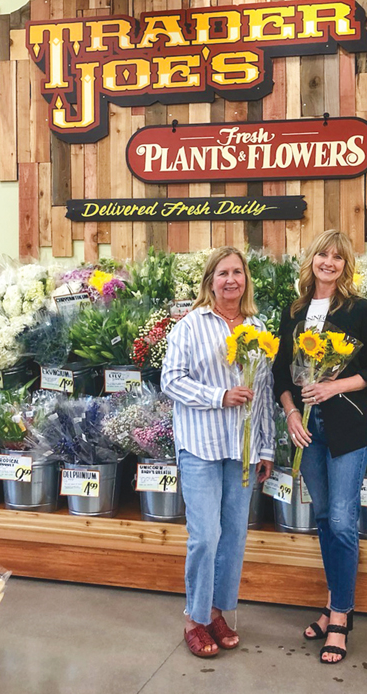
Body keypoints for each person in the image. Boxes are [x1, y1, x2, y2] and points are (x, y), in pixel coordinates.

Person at [271, 229, 367, 664]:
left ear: (346, 266)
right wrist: (292, 413)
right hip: (307, 430)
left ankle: (339, 615)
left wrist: (334, 386)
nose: (330, 262)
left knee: (341, 519)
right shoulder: (296, 310)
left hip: (348, 430)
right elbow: (282, 374)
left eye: (338, 257)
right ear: (312, 259)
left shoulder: (359, 310)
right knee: (323, 517)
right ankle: (337, 601)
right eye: (324, 254)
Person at [161, 246, 275, 658]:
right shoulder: (190, 327)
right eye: (224, 272)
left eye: (238, 273)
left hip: (241, 449)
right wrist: (219, 395)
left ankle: (215, 611)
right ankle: (194, 618)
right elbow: (170, 381)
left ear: (246, 280)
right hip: (201, 445)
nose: (232, 280)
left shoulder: (258, 327)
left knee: (234, 537)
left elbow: (262, 394)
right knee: (205, 536)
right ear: (210, 280)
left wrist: (265, 447)